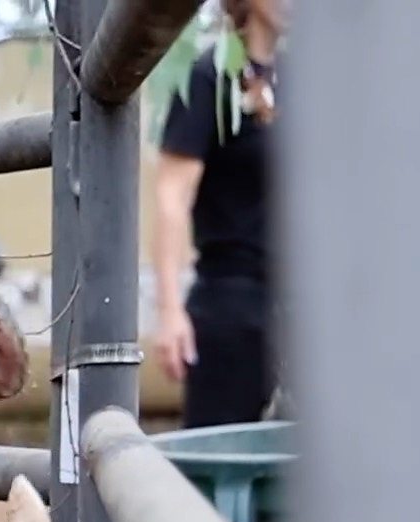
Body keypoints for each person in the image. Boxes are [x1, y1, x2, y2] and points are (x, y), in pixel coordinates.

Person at [150, 0, 286, 428]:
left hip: (305, 306)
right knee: (219, 464)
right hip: (232, 307)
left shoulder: (310, 82)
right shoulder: (208, 75)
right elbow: (172, 198)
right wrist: (170, 311)